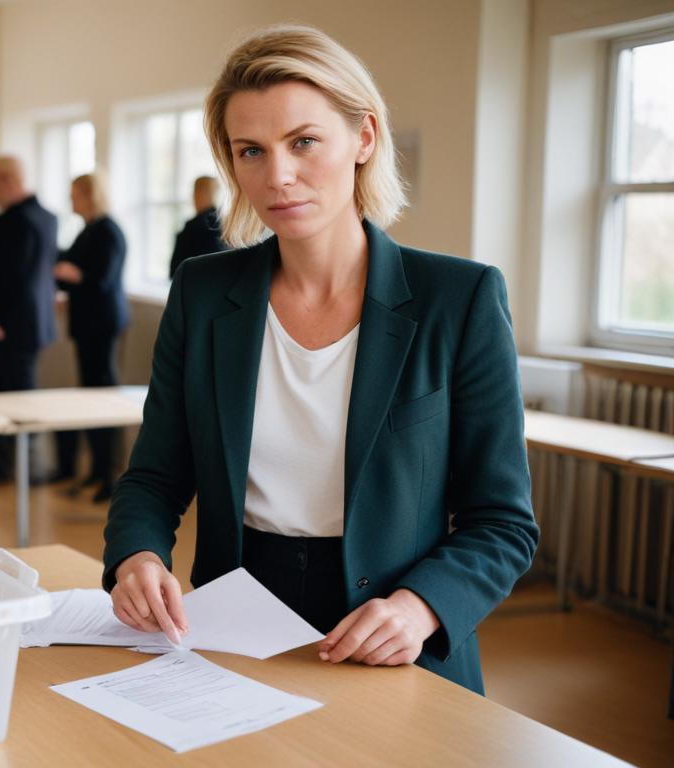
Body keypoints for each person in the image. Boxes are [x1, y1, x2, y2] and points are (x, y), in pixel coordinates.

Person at [103, 25, 538, 695]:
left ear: (363, 138)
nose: (277, 176)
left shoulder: (461, 299)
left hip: (392, 632)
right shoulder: (201, 290)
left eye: (304, 141)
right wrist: (137, 555)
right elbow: (156, 476)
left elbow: (501, 521)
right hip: (234, 624)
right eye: (251, 151)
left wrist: (419, 608)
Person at [0, 156, 58, 483]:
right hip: (36, 322)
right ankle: (20, 465)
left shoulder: (10, 222)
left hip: (8, 325)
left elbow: (8, 277)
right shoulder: (48, 218)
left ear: (7, 181)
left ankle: (13, 467)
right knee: (24, 391)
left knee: (9, 397)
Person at [53, 172, 130, 502]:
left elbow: (99, 278)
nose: (71, 200)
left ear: (89, 195)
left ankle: (110, 475)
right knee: (90, 396)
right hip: (88, 323)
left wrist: (72, 273)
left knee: (103, 398)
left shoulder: (108, 230)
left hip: (102, 323)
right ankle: (97, 470)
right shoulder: (88, 229)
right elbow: (67, 272)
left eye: (74, 194)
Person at [168, 175, 223, 278]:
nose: (192, 196)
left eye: (195, 192)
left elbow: (175, 272)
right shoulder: (226, 224)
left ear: (201, 194)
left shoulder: (195, 227)